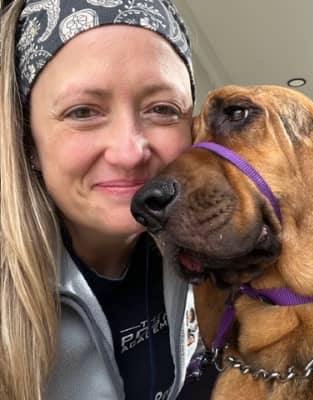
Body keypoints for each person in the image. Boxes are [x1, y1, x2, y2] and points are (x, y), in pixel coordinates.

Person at [0, 1, 213, 399]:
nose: (130, 152)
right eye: (83, 112)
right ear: (28, 140)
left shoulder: (208, 259)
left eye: (162, 109)